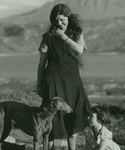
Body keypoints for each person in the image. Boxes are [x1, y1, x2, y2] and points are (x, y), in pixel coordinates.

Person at [36, 3, 92, 150]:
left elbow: (79, 50)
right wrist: (39, 84)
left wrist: (63, 37)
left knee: (72, 119)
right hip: (53, 81)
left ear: (69, 17)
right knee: (52, 119)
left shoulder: (76, 32)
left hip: (73, 82)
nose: (59, 23)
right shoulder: (48, 37)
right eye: (56, 20)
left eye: (62, 20)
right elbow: (42, 63)